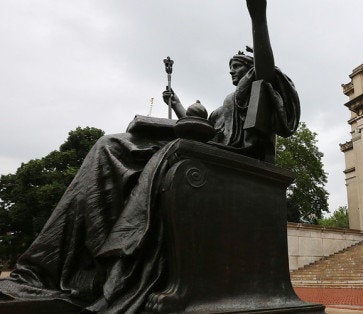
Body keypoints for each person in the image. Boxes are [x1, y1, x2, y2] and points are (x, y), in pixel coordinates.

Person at [0, 1, 299, 312]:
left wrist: (258, 16)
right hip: (206, 152)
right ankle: (59, 268)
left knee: (118, 150)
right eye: (230, 69)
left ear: (248, 66)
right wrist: (179, 105)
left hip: (226, 161)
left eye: (236, 67)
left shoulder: (257, 85)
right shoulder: (227, 102)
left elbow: (264, 67)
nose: (232, 72)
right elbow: (206, 129)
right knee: (110, 146)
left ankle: (104, 262)